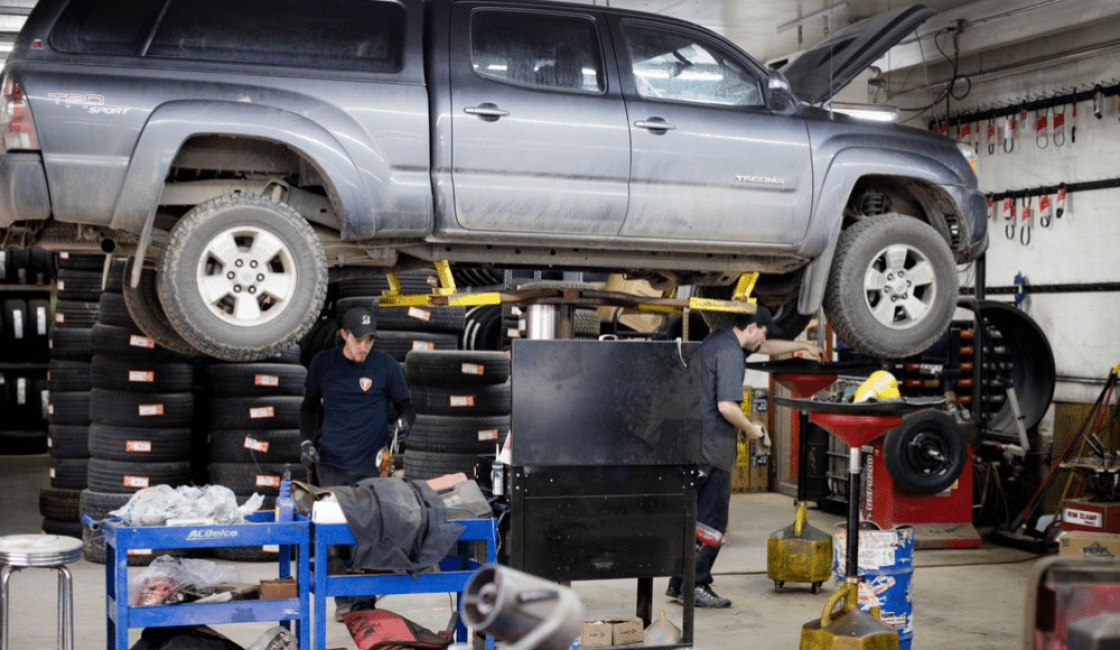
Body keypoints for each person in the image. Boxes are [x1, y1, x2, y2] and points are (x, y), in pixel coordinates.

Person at [668, 306, 826, 608]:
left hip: (693, 443)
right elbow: (727, 407)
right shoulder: (731, 355)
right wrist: (751, 428)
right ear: (752, 328)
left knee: (694, 519)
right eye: (763, 333)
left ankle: (679, 583)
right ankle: (696, 584)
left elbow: (766, 346)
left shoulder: (719, 340)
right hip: (711, 447)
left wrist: (804, 345)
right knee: (712, 520)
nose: (763, 342)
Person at [299, 305, 417, 620]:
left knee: (368, 531)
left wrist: (404, 425)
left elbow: (406, 407)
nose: (364, 347)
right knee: (336, 530)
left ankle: (363, 601)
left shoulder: (386, 366)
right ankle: (342, 598)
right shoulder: (323, 364)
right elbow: (309, 408)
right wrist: (306, 442)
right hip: (332, 462)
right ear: (344, 335)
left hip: (371, 465)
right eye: (358, 340)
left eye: (369, 340)